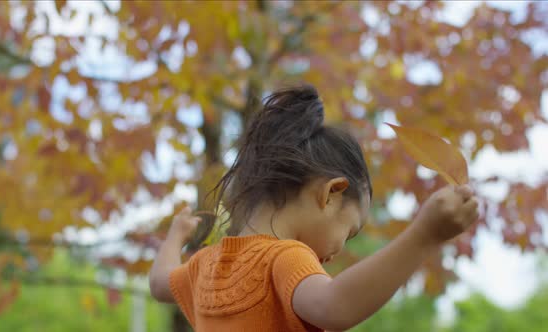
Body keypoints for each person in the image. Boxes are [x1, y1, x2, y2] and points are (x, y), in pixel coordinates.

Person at [149, 84, 479, 332]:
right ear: (331, 194)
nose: (337, 252)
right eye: (348, 231)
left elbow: (160, 282)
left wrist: (175, 238)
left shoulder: (205, 265)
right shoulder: (284, 258)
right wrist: (424, 235)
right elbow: (335, 306)